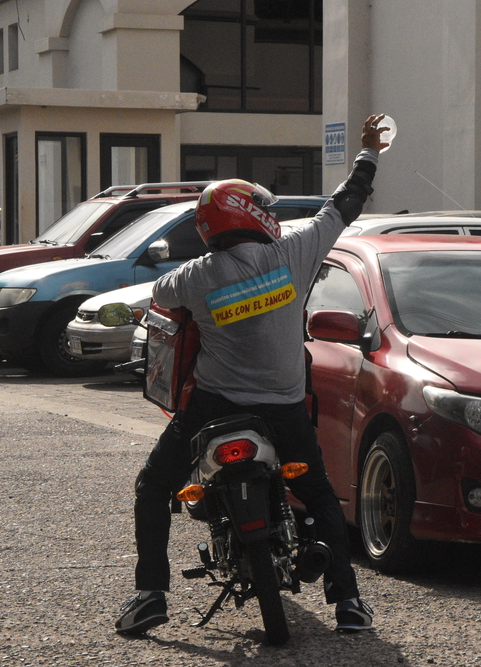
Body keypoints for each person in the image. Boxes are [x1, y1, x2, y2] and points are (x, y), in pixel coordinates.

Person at [115, 115, 388, 637]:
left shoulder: (197, 275)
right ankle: (348, 603)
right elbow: (346, 203)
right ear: (251, 214)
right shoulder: (295, 253)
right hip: (284, 408)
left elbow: (159, 297)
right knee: (320, 494)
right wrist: (368, 152)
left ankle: (150, 594)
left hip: (213, 407)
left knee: (154, 487)